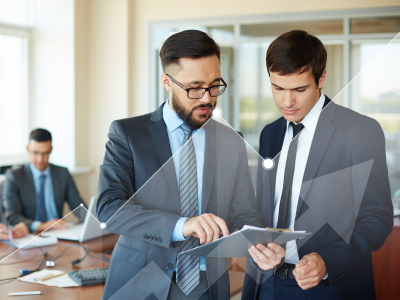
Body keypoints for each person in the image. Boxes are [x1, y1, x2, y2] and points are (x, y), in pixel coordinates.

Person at [97, 30, 283, 300]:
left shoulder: (231, 141)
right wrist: (182, 225)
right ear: (167, 82)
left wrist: (259, 244)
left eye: (215, 85)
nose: (207, 98)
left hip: (208, 286)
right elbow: (109, 208)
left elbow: (244, 213)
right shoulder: (128, 134)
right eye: (195, 88)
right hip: (139, 283)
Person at [242, 30, 393, 300]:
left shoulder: (360, 131)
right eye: (278, 88)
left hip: (328, 288)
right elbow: (265, 207)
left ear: (321, 78)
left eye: (299, 89)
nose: (287, 102)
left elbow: (377, 218)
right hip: (265, 284)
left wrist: (327, 261)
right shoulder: (270, 134)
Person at [2, 129, 86, 234]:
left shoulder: (62, 173)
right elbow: (12, 217)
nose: (40, 159)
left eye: (45, 153)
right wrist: (42, 226)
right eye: (35, 153)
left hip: (58, 234)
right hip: (30, 235)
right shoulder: (14, 176)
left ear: (51, 150)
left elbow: (79, 206)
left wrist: (92, 222)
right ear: (27, 149)